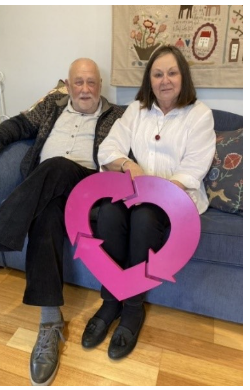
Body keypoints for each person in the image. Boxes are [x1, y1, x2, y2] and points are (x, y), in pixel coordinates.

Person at [0, 59, 125, 385]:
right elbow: (16, 126)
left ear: (100, 83)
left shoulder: (118, 116)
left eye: (91, 82)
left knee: (58, 165)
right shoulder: (52, 105)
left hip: (88, 185)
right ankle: (50, 322)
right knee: (46, 213)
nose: (85, 89)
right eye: (79, 82)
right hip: (48, 186)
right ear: (68, 83)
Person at [89, 45, 215, 359]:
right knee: (107, 212)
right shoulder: (137, 110)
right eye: (157, 74)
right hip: (137, 192)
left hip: (177, 200)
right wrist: (126, 165)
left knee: (145, 216)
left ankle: (132, 308)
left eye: (172, 72)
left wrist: (158, 192)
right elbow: (108, 149)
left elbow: (193, 168)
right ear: (150, 80)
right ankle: (110, 301)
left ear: (183, 76)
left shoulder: (199, 115)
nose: (165, 80)